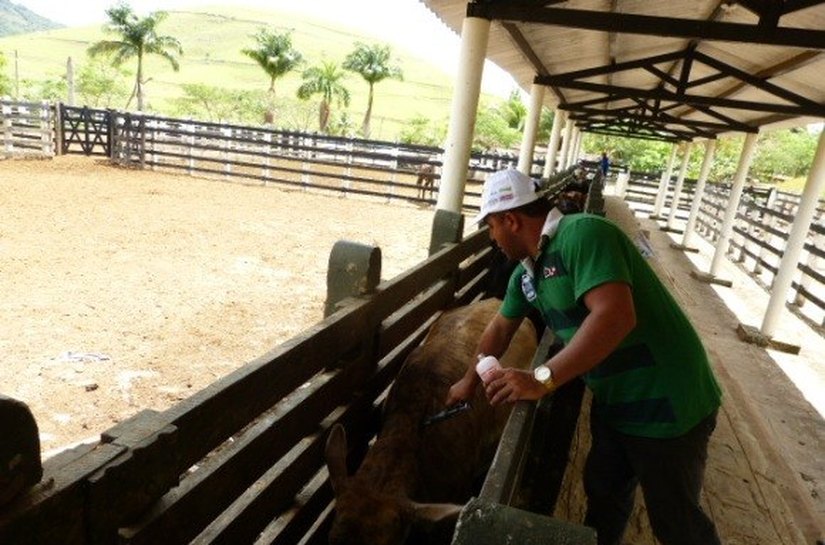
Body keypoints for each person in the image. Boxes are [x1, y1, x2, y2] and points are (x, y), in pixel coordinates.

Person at [447, 168, 723, 545]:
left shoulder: (584, 234)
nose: (492, 238)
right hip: (615, 398)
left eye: (491, 227)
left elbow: (614, 316)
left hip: (667, 401)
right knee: (604, 498)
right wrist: (467, 381)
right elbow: (498, 329)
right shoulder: (526, 275)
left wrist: (540, 379)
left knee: (676, 522)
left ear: (510, 219)